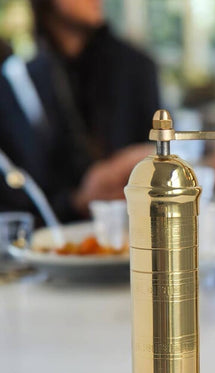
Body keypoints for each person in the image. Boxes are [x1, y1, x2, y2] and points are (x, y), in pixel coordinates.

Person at [0, 0, 160, 223]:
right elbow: (18, 197)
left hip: (135, 226)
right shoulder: (21, 83)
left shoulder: (135, 67)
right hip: (59, 234)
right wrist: (78, 201)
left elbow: (159, 151)